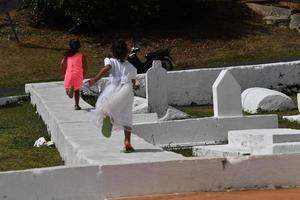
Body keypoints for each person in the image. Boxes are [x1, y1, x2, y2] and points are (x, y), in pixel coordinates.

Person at [89, 39, 138, 153]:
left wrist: (95, 79)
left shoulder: (110, 60)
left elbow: (107, 68)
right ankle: (127, 142)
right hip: (126, 91)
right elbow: (134, 81)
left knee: (105, 106)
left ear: (113, 51)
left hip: (113, 89)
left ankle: (108, 117)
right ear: (126, 52)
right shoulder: (130, 66)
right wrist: (135, 85)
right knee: (126, 115)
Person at [61, 39, 87, 110]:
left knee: (68, 89)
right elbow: (85, 66)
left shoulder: (67, 55)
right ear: (79, 47)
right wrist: (83, 74)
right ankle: (77, 105)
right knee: (77, 91)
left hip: (69, 74)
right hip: (78, 75)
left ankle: (69, 91)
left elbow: (61, 63)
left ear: (70, 46)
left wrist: (64, 73)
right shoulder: (81, 55)